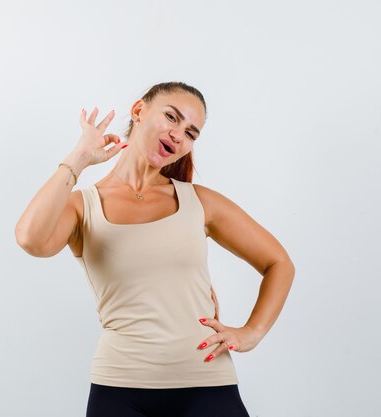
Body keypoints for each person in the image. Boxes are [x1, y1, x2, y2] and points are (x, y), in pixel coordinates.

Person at [15, 81, 295, 417]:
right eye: (172, 118)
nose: (179, 135)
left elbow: (278, 262)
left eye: (191, 132)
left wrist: (252, 332)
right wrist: (78, 160)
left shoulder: (200, 202)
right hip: (119, 388)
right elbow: (30, 239)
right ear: (138, 111)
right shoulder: (83, 207)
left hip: (206, 384)